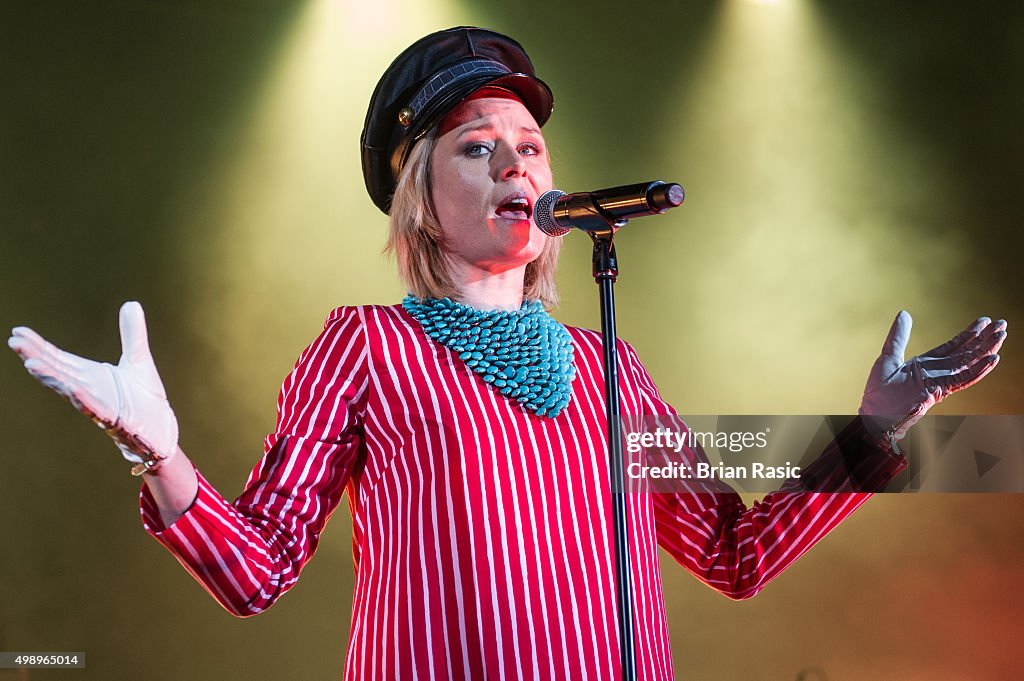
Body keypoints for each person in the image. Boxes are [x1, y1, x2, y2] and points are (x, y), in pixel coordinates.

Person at [7, 27, 1007, 681]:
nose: (516, 161)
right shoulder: (366, 347)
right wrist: (157, 452)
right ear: (420, 197)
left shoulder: (610, 364)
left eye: (529, 145)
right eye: (477, 145)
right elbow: (255, 571)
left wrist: (874, 429)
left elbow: (731, 553)